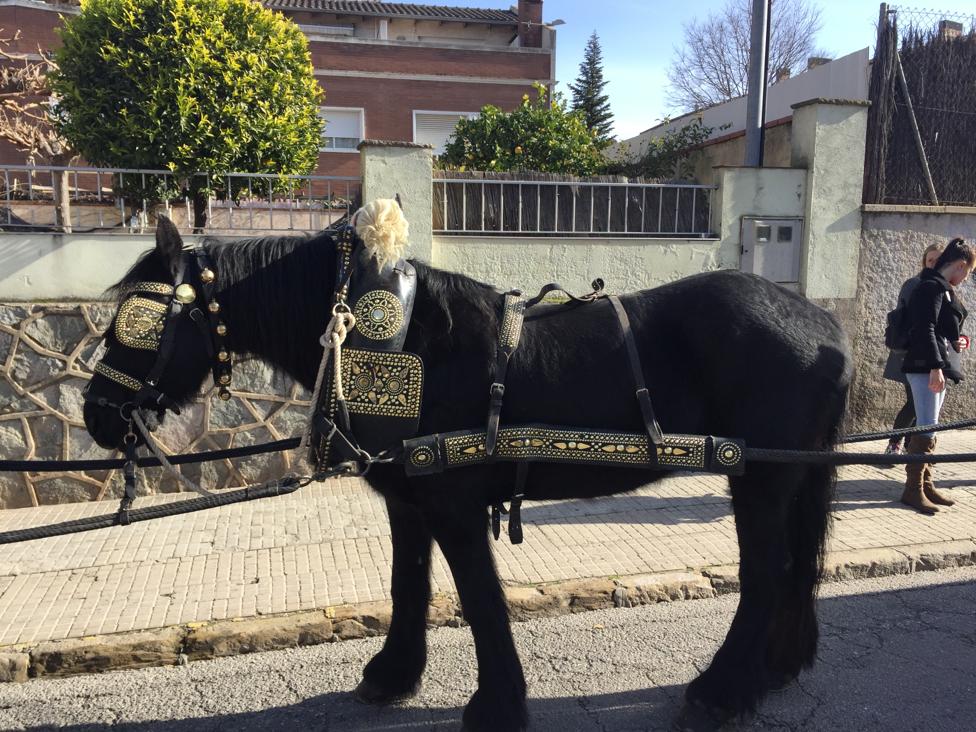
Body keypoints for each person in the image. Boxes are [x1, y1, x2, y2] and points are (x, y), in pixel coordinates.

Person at [900, 238, 974, 514]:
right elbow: (924, 329)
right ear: (958, 265)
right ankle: (912, 490)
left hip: (935, 365)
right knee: (926, 428)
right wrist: (935, 366)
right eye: (966, 273)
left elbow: (944, 328)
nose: (965, 279)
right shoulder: (929, 287)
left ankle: (926, 484)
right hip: (924, 367)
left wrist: (959, 340)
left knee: (930, 427)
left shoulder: (942, 289)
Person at [882, 243, 944, 457]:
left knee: (925, 406)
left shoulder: (943, 287)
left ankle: (913, 446)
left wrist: (961, 340)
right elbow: (908, 319)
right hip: (911, 354)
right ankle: (895, 443)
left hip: (935, 356)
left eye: (938, 260)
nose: (934, 264)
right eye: (930, 260)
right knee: (913, 403)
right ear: (924, 262)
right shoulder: (915, 284)